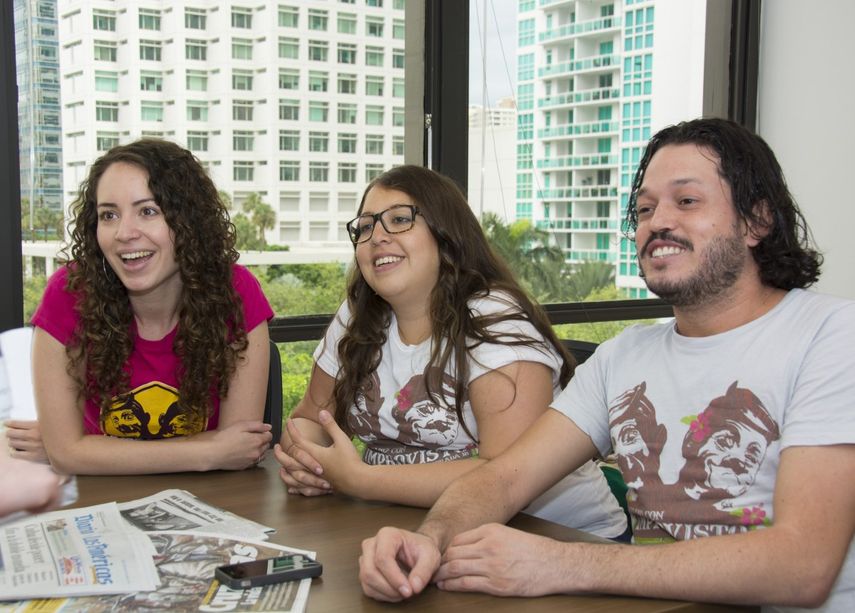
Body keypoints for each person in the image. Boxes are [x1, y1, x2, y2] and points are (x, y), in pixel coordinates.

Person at [358, 118, 855, 611]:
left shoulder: (832, 335)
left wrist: (562, 563)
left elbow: (803, 566)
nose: (657, 222)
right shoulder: (625, 355)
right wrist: (429, 538)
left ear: (756, 221)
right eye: (645, 208)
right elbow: (505, 477)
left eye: (686, 201)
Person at [273, 165, 627, 538]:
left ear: (446, 234)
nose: (376, 237)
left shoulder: (494, 320)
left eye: (399, 220)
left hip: (558, 537)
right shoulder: (358, 316)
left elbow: (506, 476)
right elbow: (308, 420)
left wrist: (361, 479)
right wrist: (310, 463)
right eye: (364, 228)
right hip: (414, 528)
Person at [16, 139, 273, 475]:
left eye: (148, 211)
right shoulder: (69, 293)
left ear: (189, 221)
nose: (124, 233)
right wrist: (208, 452)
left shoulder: (236, 292)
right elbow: (66, 454)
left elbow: (240, 449)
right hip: (97, 496)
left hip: (212, 496)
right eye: (109, 215)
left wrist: (89, 447)